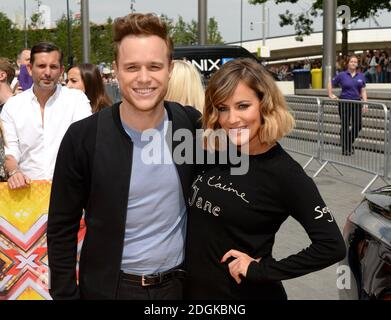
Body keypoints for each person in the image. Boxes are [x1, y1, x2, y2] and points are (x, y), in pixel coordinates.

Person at [47, 13, 201, 300]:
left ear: (169, 69)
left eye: (154, 66)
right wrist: (66, 295)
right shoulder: (84, 137)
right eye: (132, 67)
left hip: (180, 288)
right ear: (116, 70)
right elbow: (61, 227)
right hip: (111, 289)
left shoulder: (188, 125)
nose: (144, 78)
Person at [184, 58, 346, 300]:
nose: (231, 119)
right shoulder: (215, 155)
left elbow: (331, 245)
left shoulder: (285, 173)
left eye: (242, 105)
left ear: (264, 104)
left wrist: (262, 270)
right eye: (222, 108)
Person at [0, 42, 92, 190]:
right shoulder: (13, 106)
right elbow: (10, 151)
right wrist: (14, 172)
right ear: (30, 69)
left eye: (53, 67)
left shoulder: (77, 100)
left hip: (70, 191)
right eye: (42, 66)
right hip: (27, 194)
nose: (48, 72)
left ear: (61, 70)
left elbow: (85, 145)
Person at [328, 54, 368, 156]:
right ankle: (345, 148)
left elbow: (363, 91)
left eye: (355, 62)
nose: (353, 63)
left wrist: (365, 103)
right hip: (344, 103)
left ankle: (347, 142)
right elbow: (331, 83)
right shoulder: (342, 75)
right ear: (348, 63)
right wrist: (330, 94)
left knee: (358, 125)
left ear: (357, 64)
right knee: (345, 125)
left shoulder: (361, 76)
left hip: (356, 103)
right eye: (351, 61)